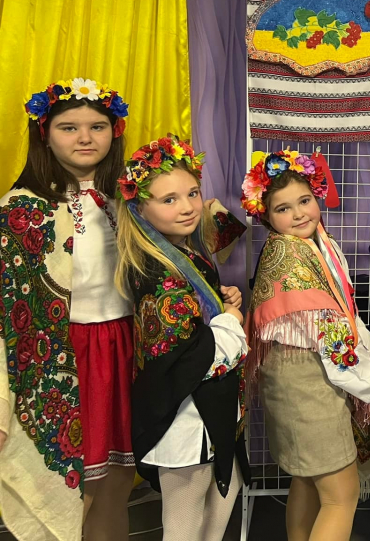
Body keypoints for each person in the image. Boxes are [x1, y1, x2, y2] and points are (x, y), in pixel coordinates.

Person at [0, 78, 134, 540]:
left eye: (97, 126)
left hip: (123, 349)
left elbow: (185, 251)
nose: (84, 138)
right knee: (76, 487)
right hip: (61, 356)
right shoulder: (20, 211)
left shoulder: (131, 200)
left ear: (114, 132)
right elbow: (4, 315)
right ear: (45, 133)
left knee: (117, 482)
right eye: (69, 127)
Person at [244, 150, 370, 541]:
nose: (298, 214)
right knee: (342, 496)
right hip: (305, 379)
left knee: (307, 481)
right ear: (266, 216)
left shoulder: (313, 244)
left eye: (304, 200)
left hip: (298, 373)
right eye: (283, 208)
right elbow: (332, 336)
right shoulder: (290, 253)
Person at [115, 135, 249, 541]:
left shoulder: (185, 254)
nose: (188, 206)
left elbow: (194, 316)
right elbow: (192, 357)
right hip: (185, 414)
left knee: (226, 488)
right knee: (186, 512)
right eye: (169, 199)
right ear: (140, 207)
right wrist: (231, 321)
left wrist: (219, 301)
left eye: (192, 193)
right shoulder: (156, 271)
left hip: (204, 410)